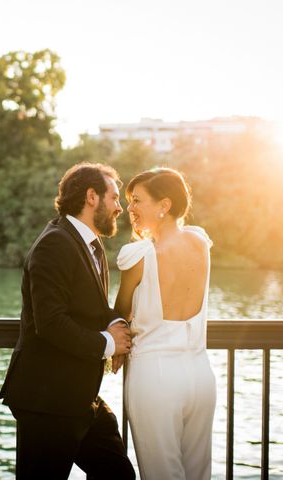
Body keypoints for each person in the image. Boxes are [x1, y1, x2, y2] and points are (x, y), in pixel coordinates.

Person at [0, 162, 135, 479]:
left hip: (79, 397)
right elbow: (50, 322)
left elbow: (94, 309)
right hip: (47, 400)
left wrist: (120, 326)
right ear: (91, 197)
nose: (119, 208)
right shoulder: (55, 243)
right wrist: (109, 343)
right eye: (114, 197)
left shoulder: (90, 245)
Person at [114, 167, 216, 480]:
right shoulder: (200, 242)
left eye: (137, 201)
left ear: (164, 205)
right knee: (198, 474)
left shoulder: (139, 254)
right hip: (200, 376)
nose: (129, 209)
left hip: (155, 377)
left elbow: (118, 314)